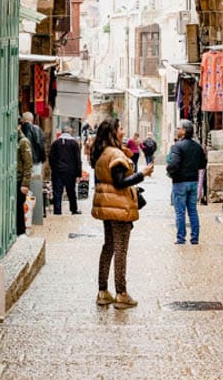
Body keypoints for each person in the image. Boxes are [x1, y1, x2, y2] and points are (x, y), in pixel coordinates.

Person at [91, 118, 153, 309]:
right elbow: (119, 182)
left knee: (108, 246)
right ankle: (121, 293)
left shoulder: (102, 153)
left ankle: (103, 291)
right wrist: (142, 174)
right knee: (120, 249)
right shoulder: (115, 154)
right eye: (120, 128)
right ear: (113, 132)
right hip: (119, 206)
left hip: (107, 204)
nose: (123, 131)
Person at [165, 120, 207, 245]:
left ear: (184, 130)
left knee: (180, 212)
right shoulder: (197, 146)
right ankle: (194, 238)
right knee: (193, 211)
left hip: (180, 182)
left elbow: (174, 164)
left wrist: (169, 171)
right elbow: (203, 164)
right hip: (193, 181)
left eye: (179, 128)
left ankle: (181, 238)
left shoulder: (177, 146)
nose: (177, 130)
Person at [49, 125, 83, 215]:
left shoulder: (55, 143)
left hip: (58, 171)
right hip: (70, 172)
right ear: (70, 132)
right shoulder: (74, 144)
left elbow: (51, 158)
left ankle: (57, 210)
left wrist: (53, 168)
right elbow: (78, 160)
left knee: (57, 191)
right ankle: (73, 209)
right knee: (71, 191)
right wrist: (78, 174)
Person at [21, 111, 46, 215]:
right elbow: (41, 145)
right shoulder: (37, 129)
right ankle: (36, 212)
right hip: (35, 163)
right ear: (32, 119)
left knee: (24, 184)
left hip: (23, 162)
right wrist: (43, 159)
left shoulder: (20, 129)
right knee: (35, 186)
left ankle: (24, 210)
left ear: (22, 120)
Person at [16, 123, 32, 236]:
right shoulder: (14, 140)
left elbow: (28, 163)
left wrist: (25, 183)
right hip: (14, 178)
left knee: (18, 207)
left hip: (19, 180)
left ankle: (21, 231)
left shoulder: (23, 141)